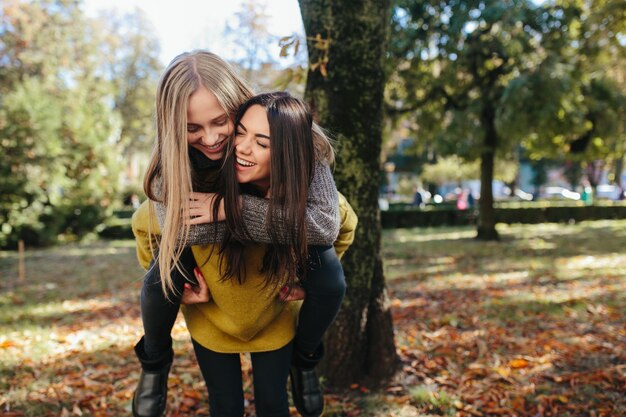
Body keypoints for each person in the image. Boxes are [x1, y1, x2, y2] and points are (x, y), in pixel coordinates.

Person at [131, 51, 355, 417]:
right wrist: (179, 291)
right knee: (161, 275)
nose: (212, 137)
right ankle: (154, 363)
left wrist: (225, 209)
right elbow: (172, 230)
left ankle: (306, 359)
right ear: (173, 128)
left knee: (327, 269)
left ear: (238, 101)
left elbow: (327, 224)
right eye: (192, 128)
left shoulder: (286, 134)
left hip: (271, 304)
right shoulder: (172, 164)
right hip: (213, 299)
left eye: (221, 121)